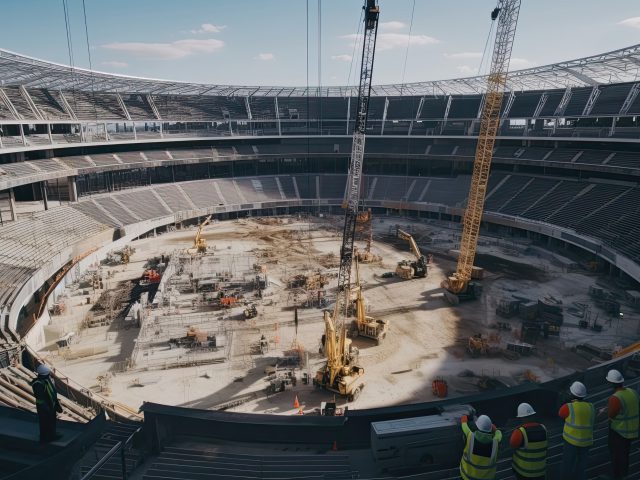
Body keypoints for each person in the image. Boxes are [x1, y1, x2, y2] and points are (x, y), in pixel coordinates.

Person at [602, 369, 639, 479]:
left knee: (617, 457)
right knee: (625, 456)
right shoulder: (633, 392)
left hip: (619, 432)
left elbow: (611, 415)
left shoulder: (615, 398)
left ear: (611, 383)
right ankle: (624, 475)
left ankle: (618, 476)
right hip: (632, 430)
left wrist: (605, 412)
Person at [559, 381, 594, 480]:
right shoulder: (591, 406)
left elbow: (561, 414)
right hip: (586, 442)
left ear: (571, 393)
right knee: (581, 466)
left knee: (567, 465)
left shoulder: (568, 407)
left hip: (571, 442)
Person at [510, 402, 548, 480]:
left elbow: (512, 445)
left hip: (524, 473)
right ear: (533, 415)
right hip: (540, 472)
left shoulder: (519, 432)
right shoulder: (543, 428)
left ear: (521, 418)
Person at [460, 412, 502, 480]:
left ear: (477, 426)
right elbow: (499, 433)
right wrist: (495, 428)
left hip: (467, 477)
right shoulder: (495, 442)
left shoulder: (470, 437)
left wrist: (465, 417)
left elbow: (464, 425)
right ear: (490, 428)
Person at [31, 364, 63, 442]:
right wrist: (47, 408)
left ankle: (52, 434)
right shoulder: (38, 384)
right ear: (44, 374)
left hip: (50, 405)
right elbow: (40, 398)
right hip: (43, 407)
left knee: (52, 421)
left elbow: (52, 393)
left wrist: (57, 405)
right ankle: (45, 438)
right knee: (45, 422)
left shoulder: (47, 380)